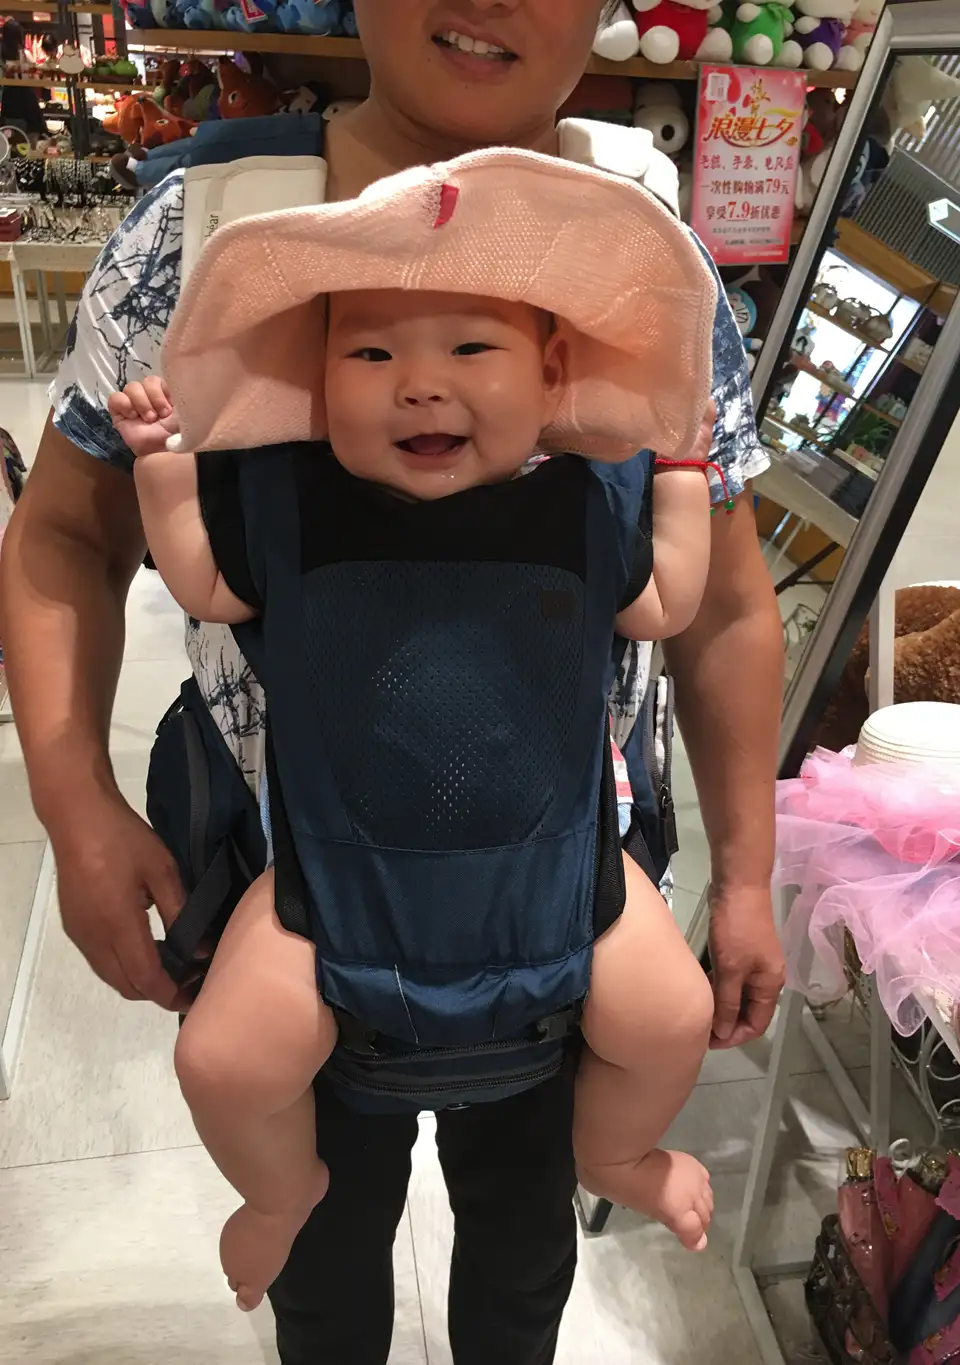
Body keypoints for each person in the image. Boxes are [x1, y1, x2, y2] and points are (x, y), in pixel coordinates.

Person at [0, 2, 785, 1360]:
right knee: (321, 1264)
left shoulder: (650, 253)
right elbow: (69, 529)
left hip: (561, 883)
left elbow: (717, 596)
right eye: (368, 353)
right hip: (291, 884)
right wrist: (74, 806)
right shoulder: (197, 232)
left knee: (523, 1253)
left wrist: (753, 874)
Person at [108, 149, 721, 1311]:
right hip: (330, 896)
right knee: (221, 1061)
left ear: (552, 372)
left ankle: (615, 1155)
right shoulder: (293, 505)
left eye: (471, 350)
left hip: (561, 890)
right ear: (315, 374)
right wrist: (166, 470)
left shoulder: (583, 505)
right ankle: (279, 1194)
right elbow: (204, 582)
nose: (420, 388)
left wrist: (680, 470)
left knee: (671, 1013)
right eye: (372, 355)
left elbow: (665, 601)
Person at [1, 19, 46, 140]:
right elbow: (36, 77)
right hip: (25, 97)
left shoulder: (4, 55)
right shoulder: (25, 54)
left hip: (9, 99)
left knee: (9, 134)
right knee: (32, 131)